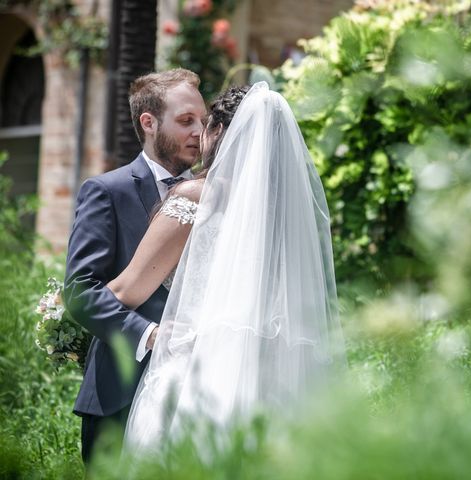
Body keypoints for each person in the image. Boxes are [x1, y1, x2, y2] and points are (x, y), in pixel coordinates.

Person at [106, 81, 345, 456]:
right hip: (270, 383)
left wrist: (64, 305)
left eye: (206, 125)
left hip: (197, 377)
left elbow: (126, 290)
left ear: (219, 133)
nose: (199, 133)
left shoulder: (196, 197)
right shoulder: (287, 216)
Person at [63, 68, 207, 463]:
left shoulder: (218, 194)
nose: (200, 131)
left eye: (203, 121)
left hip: (200, 390)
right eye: (185, 121)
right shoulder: (107, 191)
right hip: (120, 392)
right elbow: (79, 291)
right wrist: (149, 335)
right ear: (149, 122)